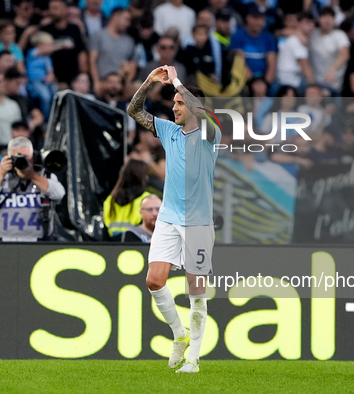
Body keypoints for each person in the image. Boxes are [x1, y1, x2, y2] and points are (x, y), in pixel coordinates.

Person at [127, 65, 221, 374]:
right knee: (154, 281)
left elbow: (199, 109)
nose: (175, 107)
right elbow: (133, 110)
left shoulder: (210, 133)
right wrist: (151, 81)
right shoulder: (167, 130)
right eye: (174, 103)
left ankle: (193, 358)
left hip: (198, 223)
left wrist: (178, 81)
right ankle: (179, 333)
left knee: (196, 291)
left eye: (180, 103)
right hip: (168, 218)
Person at [0, 136, 66, 241]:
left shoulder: (44, 176)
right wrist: (0, 173)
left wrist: (33, 176)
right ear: (10, 158)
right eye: (19, 157)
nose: (24, 161)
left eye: (27, 157)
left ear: (33, 156)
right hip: (3, 241)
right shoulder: (2, 178)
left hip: (38, 241)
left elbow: (59, 194)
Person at [40, 0, 88, 88]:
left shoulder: (74, 29)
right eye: (51, 8)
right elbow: (41, 55)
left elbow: (81, 53)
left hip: (74, 78)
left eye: (56, 8)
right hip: (53, 80)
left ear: (65, 9)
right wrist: (56, 81)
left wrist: (83, 74)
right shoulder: (45, 30)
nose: (52, 11)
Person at [88, 7, 136, 94]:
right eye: (126, 19)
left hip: (121, 84)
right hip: (103, 82)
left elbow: (133, 65)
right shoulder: (98, 36)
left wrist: (126, 81)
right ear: (115, 17)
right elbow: (92, 61)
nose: (128, 23)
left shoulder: (129, 41)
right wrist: (96, 82)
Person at [103, 158, 150, 239]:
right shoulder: (147, 200)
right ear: (143, 177)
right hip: (136, 242)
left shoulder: (110, 199)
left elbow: (105, 227)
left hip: (111, 244)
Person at [309, 7, 350, 95]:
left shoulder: (340, 35)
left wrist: (333, 69)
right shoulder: (312, 34)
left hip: (334, 85)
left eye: (330, 17)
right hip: (315, 83)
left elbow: (345, 54)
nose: (327, 20)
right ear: (319, 19)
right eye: (324, 17)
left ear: (334, 20)